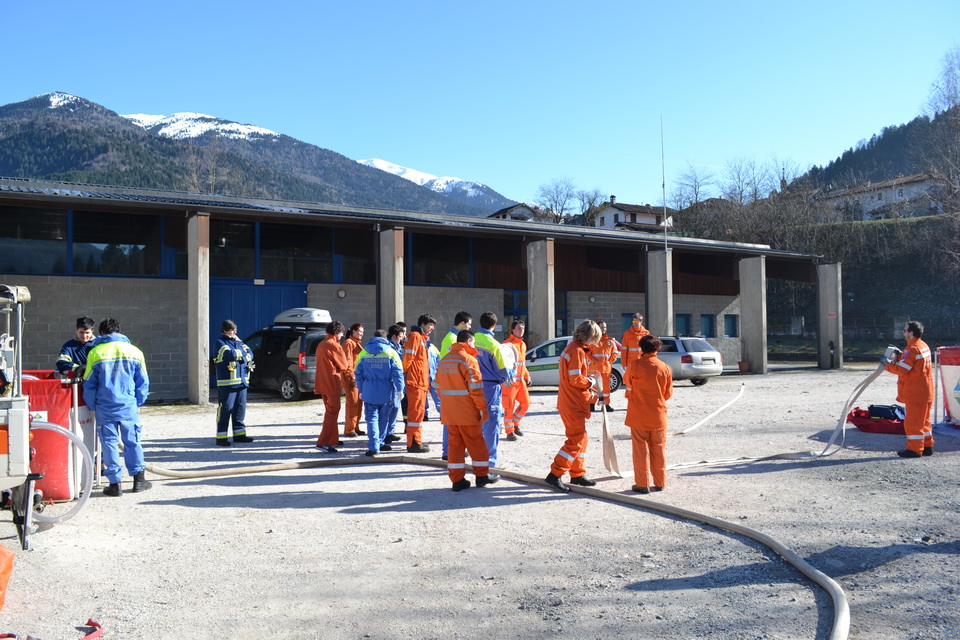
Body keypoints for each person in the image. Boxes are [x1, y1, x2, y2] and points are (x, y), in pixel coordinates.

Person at [83, 319, 151, 497]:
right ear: (119, 331)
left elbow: (88, 383)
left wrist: (92, 405)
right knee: (132, 441)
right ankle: (139, 481)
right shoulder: (135, 351)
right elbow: (143, 381)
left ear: (101, 333)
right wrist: (139, 402)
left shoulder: (96, 352)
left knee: (110, 444)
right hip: (128, 405)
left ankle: (115, 484)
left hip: (105, 406)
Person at [545, 320, 602, 493]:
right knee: (576, 440)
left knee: (581, 439)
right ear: (589, 336)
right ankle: (555, 474)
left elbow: (573, 377)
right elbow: (576, 379)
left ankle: (577, 474)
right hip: (573, 403)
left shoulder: (574, 349)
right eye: (595, 338)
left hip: (570, 400)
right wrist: (591, 382)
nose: (595, 342)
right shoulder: (577, 351)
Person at [436, 330, 497, 491]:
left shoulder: (444, 360)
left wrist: (448, 402)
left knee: (454, 446)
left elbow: (437, 385)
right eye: (473, 342)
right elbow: (476, 389)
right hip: (466, 411)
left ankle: (457, 480)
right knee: (476, 442)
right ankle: (482, 476)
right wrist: (482, 409)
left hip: (450, 412)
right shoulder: (468, 360)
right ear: (469, 341)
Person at [624, 334, 673, 494]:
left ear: (641, 348)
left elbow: (627, 381)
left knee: (640, 451)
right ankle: (660, 482)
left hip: (638, 416)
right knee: (659, 449)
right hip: (658, 416)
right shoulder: (664, 367)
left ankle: (642, 484)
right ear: (657, 348)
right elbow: (668, 393)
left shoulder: (635, 365)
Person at [884, 320, 935, 458]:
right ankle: (927, 446)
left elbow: (902, 369)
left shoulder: (911, 349)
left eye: (905, 330)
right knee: (924, 421)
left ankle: (914, 449)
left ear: (911, 333)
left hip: (915, 392)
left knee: (913, 422)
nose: (903, 333)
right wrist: (901, 356)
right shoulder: (923, 346)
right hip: (926, 391)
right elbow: (915, 364)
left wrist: (887, 365)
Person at [355, 328, 405, 456]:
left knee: (371, 419)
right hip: (386, 392)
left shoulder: (363, 352)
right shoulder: (391, 352)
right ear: (385, 338)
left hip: (369, 391)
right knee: (384, 419)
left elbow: (358, 373)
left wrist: (361, 389)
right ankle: (381, 443)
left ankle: (374, 446)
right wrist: (400, 389)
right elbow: (398, 373)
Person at [474, 312, 513, 468]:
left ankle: (476, 456)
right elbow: (503, 371)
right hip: (490, 387)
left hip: (471, 386)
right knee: (491, 423)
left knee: (474, 422)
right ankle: (490, 460)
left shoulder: (470, 340)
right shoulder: (494, 345)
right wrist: (511, 372)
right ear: (494, 326)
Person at [213, 319, 256, 446]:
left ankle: (239, 435)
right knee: (226, 409)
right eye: (232, 330)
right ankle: (221, 437)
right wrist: (243, 354)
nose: (235, 332)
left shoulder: (239, 342)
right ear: (225, 330)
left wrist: (241, 354)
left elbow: (251, 354)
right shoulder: (220, 342)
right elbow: (229, 355)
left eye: (235, 330)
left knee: (240, 409)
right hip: (228, 384)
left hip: (242, 382)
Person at [439, 311, 473, 458]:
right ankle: (447, 451)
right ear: (462, 323)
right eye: (469, 324)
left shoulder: (455, 337)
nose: (470, 326)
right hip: (452, 384)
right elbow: (447, 363)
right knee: (451, 419)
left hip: (456, 383)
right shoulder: (451, 339)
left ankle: (454, 449)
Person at [314, 320, 350, 453]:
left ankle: (332, 439)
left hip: (321, 382)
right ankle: (323, 442)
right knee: (333, 411)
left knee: (330, 410)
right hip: (331, 382)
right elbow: (344, 365)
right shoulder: (334, 345)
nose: (342, 336)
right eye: (341, 333)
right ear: (336, 333)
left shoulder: (321, 344)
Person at [403, 315, 436, 453]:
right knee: (415, 413)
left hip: (420, 382)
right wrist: (407, 374)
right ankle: (413, 443)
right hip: (416, 381)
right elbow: (408, 359)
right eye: (430, 325)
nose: (432, 328)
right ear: (422, 324)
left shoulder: (421, 338)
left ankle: (416, 441)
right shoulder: (416, 336)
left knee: (418, 413)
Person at [502, 320, 531, 441]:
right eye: (519, 328)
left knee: (526, 403)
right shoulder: (506, 345)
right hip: (510, 382)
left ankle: (515, 423)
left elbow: (522, 364)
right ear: (512, 330)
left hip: (521, 381)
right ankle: (509, 432)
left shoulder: (523, 344)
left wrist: (527, 376)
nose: (521, 330)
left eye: (523, 328)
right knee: (509, 407)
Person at [587, 320, 621, 411]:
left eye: (605, 327)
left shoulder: (610, 340)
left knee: (606, 388)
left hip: (606, 368)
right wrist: (593, 360)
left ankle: (606, 405)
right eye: (602, 327)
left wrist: (609, 361)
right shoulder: (592, 340)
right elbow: (587, 353)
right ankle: (591, 404)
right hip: (595, 368)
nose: (604, 329)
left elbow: (615, 353)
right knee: (594, 387)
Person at [341, 323, 366, 438]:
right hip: (352, 378)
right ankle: (349, 429)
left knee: (358, 402)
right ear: (354, 331)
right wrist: (351, 377)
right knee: (353, 403)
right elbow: (348, 362)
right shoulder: (349, 343)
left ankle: (355, 427)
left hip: (358, 378)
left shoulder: (355, 343)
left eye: (362, 332)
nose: (362, 334)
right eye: (360, 331)